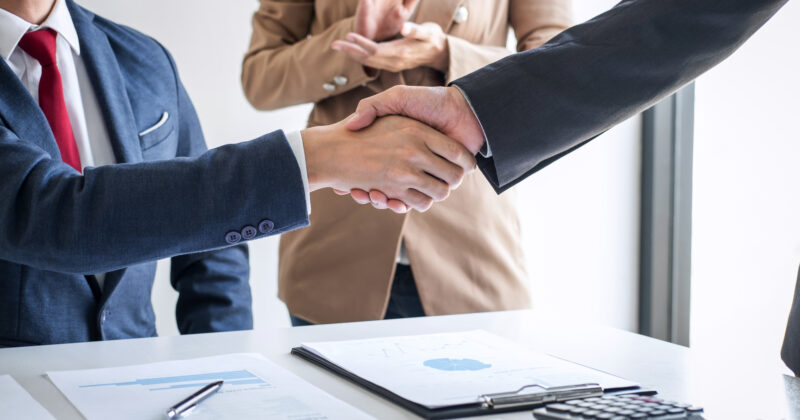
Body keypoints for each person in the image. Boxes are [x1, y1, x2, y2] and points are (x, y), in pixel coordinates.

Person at [0, 0, 475, 346]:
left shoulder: (143, 59)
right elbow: (54, 213)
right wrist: (316, 156)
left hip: (132, 386)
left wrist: (222, 368)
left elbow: (211, 252)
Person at [241, 0, 571, 325]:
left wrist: (447, 53)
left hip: (469, 238)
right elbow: (260, 78)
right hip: (336, 245)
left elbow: (560, 66)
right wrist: (353, 41)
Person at [340, 0, 789, 212]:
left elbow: (546, 46)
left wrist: (446, 56)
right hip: (338, 236)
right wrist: (349, 45)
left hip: (468, 222)